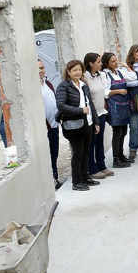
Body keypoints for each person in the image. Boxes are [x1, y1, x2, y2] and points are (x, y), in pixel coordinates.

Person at [55, 60, 101, 191]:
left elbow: (90, 104)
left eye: (80, 69)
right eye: (74, 70)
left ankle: (85, 177)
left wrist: (96, 122)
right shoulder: (63, 86)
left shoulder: (83, 85)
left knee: (86, 152)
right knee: (78, 153)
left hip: (88, 123)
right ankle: (76, 182)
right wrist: (80, 111)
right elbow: (61, 105)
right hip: (73, 125)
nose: (78, 72)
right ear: (68, 72)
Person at [83, 53, 112, 179]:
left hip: (102, 112)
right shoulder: (85, 77)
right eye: (98, 62)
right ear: (91, 63)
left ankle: (102, 165)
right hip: (92, 115)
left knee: (100, 141)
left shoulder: (101, 75)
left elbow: (105, 91)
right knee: (92, 143)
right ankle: (92, 169)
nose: (101, 64)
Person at [102, 52, 133, 169]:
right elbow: (105, 92)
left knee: (124, 132)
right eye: (113, 61)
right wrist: (118, 91)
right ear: (107, 63)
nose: (115, 63)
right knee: (117, 133)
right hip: (114, 106)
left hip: (124, 105)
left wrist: (126, 66)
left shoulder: (119, 72)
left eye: (116, 60)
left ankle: (121, 155)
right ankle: (116, 159)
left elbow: (133, 77)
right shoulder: (105, 74)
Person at [38, 60, 62, 189]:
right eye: (38, 68)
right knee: (47, 155)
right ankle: (50, 181)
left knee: (54, 153)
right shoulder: (33, 87)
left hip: (54, 124)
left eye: (42, 68)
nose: (40, 71)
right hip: (44, 127)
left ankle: (55, 178)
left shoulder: (48, 83)